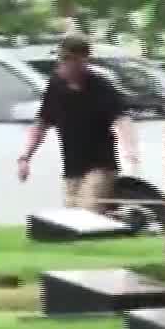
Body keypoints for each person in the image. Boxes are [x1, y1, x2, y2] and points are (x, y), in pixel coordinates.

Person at [18, 36, 139, 210]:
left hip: (100, 166)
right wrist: (25, 157)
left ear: (83, 60)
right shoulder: (55, 87)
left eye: (69, 59)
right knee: (73, 221)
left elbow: (122, 119)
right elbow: (42, 123)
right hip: (72, 168)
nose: (63, 64)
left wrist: (131, 151)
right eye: (62, 59)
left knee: (87, 215)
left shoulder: (101, 87)